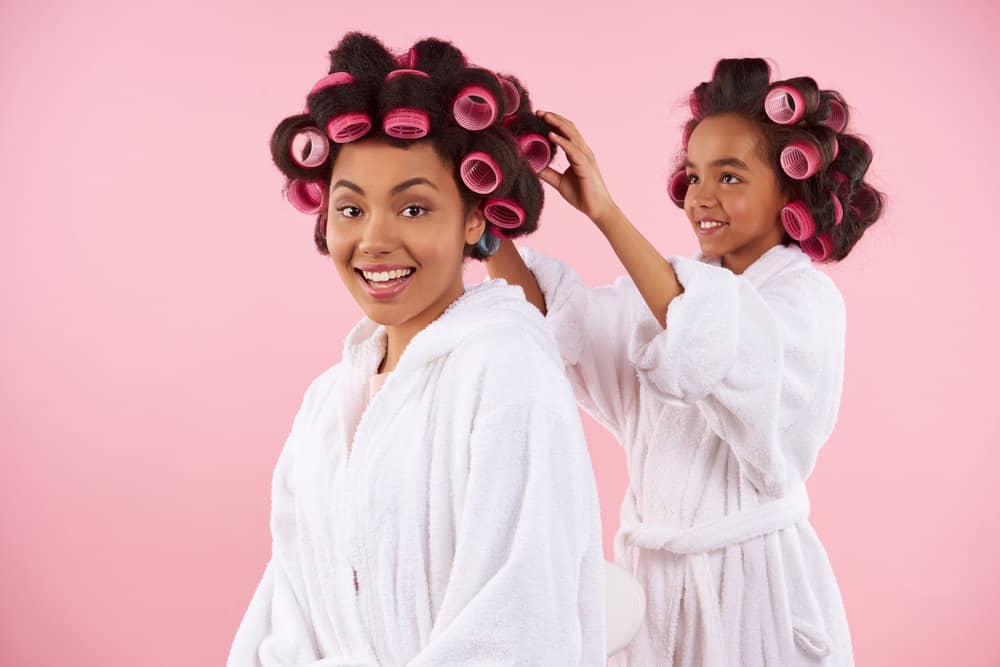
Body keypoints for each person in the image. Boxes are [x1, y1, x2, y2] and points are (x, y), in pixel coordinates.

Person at [486, 58, 885, 666]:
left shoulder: (803, 302)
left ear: (791, 190)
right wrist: (488, 218)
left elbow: (711, 342)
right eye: (694, 176)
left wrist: (605, 213)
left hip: (752, 591)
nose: (701, 197)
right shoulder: (673, 295)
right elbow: (562, 326)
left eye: (730, 177)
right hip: (652, 588)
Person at [228, 32, 606, 666]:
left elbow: (519, 619)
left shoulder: (506, 371)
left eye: (413, 209)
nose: (373, 240)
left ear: (475, 219)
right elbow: (285, 608)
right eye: (351, 210)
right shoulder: (328, 403)